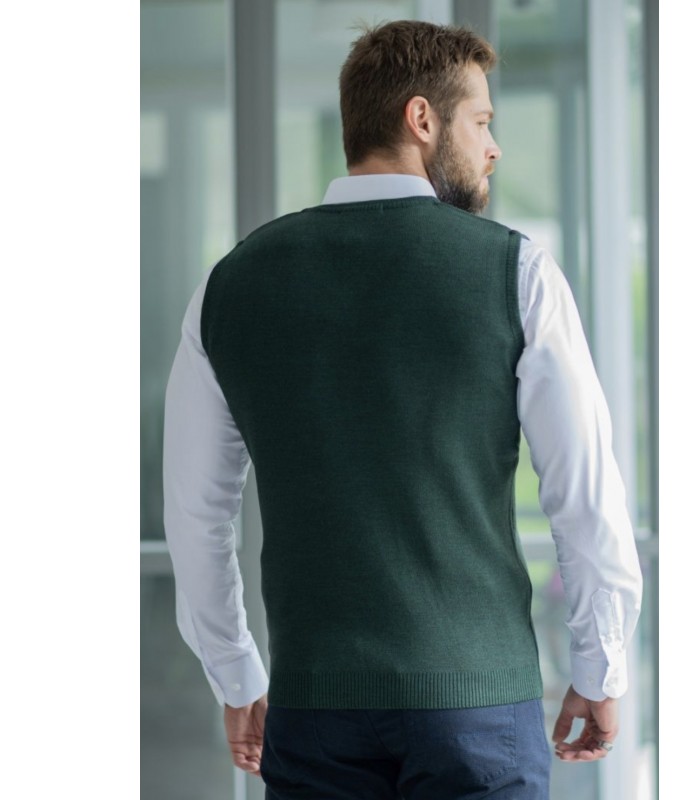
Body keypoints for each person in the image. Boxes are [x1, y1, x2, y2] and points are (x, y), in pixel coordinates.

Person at [163, 19, 643, 800]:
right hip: (479, 710)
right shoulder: (516, 272)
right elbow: (584, 494)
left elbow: (194, 513)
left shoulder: (230, 285)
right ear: (422, 118)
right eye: (481, 121)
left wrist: (238, 675)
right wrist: (600, 667)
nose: (493, 148)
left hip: (313, 712)